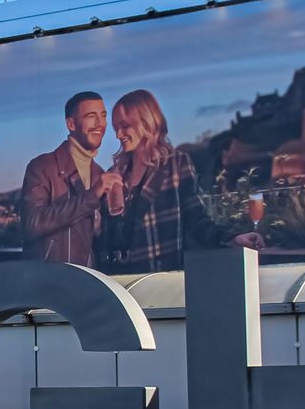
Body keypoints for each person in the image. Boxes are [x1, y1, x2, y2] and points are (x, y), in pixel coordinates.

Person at [95, 89, 263, 274]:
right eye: (115, 128)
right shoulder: (115, 175)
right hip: (119, 281)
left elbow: (197, 219)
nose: (118, 134)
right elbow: (105, 235)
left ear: (146, 122)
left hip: (160, 277)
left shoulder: (175, 165)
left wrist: (233, 238)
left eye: (125, 126)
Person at [20, 91, 120, 265]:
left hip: (87, 285)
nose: (100, 124)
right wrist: (91, 196)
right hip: (48, 283)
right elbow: (32, 224)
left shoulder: (100, 174)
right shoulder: (42, 166)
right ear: (71, 124)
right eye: (91, 116)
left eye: (103, 116)